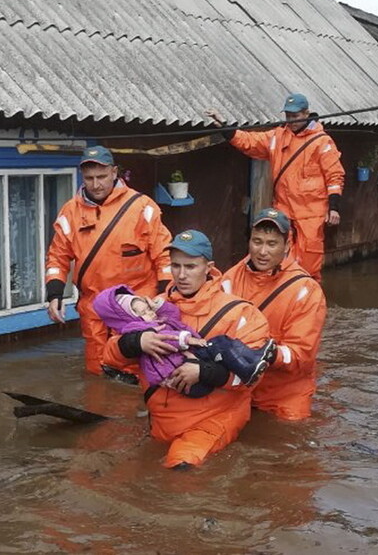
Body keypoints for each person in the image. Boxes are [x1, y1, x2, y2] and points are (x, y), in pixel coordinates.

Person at [102, 230, 271, 469]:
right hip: (161, 421)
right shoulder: (153, 307)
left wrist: (204, 372)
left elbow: (252, 378)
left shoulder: (240, 313)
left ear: (209, 268)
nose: (181, 275)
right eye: (175, 266)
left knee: (182, 467)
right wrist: (136, 342)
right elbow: (109, 359)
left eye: (190, 267)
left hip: (213, 419)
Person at [45, 145, 172, 375]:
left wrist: (165, 294)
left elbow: (164, 254)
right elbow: (57, 257)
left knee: (137, 369)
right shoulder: (70, 212)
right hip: (93, 305)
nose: (96, 184)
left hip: (137, 303)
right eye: (90, 178)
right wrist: (54, 296)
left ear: (115, 172)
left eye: (102, 176)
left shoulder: (142, 207)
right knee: (96, 370)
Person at [208, 93, 345, 281]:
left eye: (295, 116)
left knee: (309, 266)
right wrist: (226, 128)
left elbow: (334, 175)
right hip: (283, 211)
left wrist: (334, 207)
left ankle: (308, 300)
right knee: (276, 260)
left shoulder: (322, 142)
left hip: (311, 215)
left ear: (306, 113)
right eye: (288, 116)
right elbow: (249, 142)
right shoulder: (277, 137)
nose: (291, 120)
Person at [223, 208, 327, 421]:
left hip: (285, 393)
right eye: (257, 241)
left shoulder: (305, 291)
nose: (262, 251)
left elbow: (302, 355)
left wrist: (268, 354)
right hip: (237, 386)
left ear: (287, 247)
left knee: (287, 442)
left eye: (272, 244)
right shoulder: (229, 279)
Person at [93, 284, 276, 397]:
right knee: (220, 344)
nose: (149, 313)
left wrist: (158, 306)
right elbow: (168, 339)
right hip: (183, 382)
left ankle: (251, 362)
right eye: (142, 312)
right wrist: (188, 340)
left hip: (192, 382)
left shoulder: (155, 315)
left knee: (221, 344)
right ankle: (249, 366)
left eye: (190, 266)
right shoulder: (138, 330)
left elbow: (173, 315)